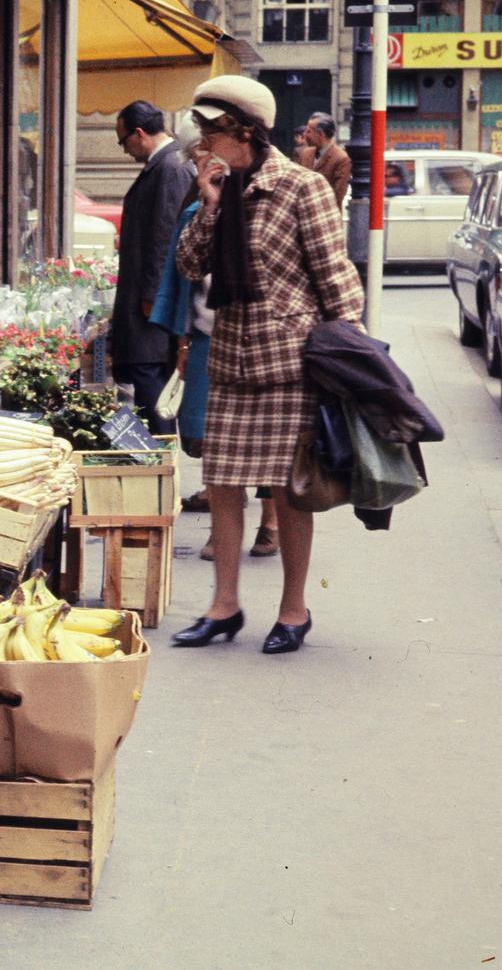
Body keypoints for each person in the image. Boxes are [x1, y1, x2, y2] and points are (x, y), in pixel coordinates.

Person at [170, 76, 365, 655]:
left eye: (211, 132)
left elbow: (335, 276)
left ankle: (293, 609)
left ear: (244, 131)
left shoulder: (301, 187)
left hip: (289, 362)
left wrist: (351, 358)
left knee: (288, 491)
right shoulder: (217, 187)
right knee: (222, 484)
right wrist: (207, 205)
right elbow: (187, 265)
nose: (202, 143)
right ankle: (223, 606)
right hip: (230, 358)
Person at [150, 120, 279, 563]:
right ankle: (224, 534)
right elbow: (185, 272)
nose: (202, 158)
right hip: (211, 337)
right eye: (197, 152)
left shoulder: (267, 196)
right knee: (214, 438)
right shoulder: (199, 203)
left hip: (265, 342)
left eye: (207, 148)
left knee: (269, 442)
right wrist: (182, 340)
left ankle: (271, 521)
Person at [112, 100, 195, 436]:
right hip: (150, 299)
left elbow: (165, 236)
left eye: (123, 141)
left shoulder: (171, 166)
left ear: (140, 134)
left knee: (150, 379)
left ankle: (159, 458)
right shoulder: (165, 164)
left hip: (152, 304)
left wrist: (152, 296)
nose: (124, 150)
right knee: (148, 378)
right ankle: (157, 456)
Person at [297, 111, 351, 207]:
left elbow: (337, 196)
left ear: (321, 134)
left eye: (308, 131)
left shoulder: (341, 159)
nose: (304, 134)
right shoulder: (305, 154)